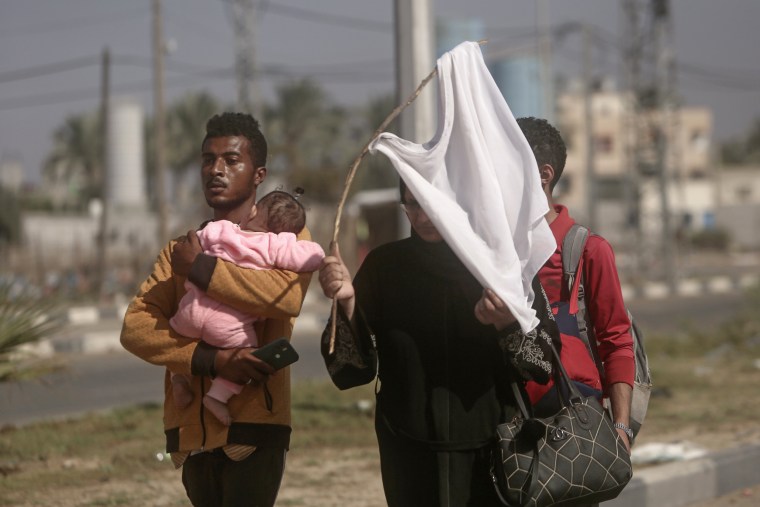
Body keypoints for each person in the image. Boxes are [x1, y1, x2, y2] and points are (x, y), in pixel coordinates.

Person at [317, 179, 560, 506]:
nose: (422, 216)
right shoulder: (384, 267)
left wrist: (505, 324)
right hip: (409, 454)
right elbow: (352, 370)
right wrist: (347, 304)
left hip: (493, 454)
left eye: (431, 203)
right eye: (411, 204)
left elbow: (545, 363)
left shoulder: (503, 266)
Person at [120, 112, 314, 507]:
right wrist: (210, 360)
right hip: (190, 435)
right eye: (208, 160)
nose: (216, 169)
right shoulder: (182, 248)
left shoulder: (287, 237)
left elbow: (284, 297)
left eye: (231, 159)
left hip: (254, 428)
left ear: (259, 174)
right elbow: (136, 327)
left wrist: (203, 269)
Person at [516, 116, 635, 453]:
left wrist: (622, 429)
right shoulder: (492, 251)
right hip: (506, 425)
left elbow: (616, 340)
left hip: (572, 427)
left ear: (544, 175)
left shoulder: (588, 250)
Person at [169, 190, 325, 426]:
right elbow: (313, 257)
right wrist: (299, 241)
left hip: (190, 310)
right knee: (248, 355)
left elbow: (195, 241)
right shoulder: (276, 244)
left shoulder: (222, 229)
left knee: (173, 343)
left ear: (253, 212)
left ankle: (178, 379)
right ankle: (217, 397)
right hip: (228, 325)